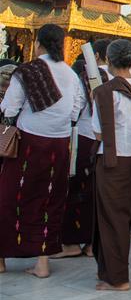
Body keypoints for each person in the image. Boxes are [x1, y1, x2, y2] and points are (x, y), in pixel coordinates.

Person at [0, 25, 84, 279]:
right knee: (49, 200)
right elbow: (75, 110)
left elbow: (9, 108)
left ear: (38, 43)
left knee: (9, 198)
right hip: (59, 144)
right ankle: (42, 262)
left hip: (28, 143)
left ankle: (1, 259)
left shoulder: (26, 71)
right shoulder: (71, 75)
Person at [91, 39, 131, 290]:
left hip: (114, 160)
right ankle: (108, 269)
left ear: (108, 60)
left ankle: (117, 278)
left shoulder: (105, 92)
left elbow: (97, 133)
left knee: (112, 217)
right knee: (119, 216)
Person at [55, 56, 103, 260]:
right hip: (101, 142)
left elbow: (73, 113)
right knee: (95, 193)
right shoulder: (107, 82)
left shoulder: (82, 83)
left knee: (75, 191)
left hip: (82, 140)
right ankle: (91, 244)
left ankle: (72, 242)